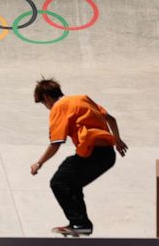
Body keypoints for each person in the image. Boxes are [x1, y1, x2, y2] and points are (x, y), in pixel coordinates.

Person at [30, 78, 128, 236]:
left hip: (93, 154)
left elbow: (56, 143)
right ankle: (80, 224)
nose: (46, 108)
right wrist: (117, 140)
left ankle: (79, 223)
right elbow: (111, 119)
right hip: (108, 155)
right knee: (71, 183)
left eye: (43, 103)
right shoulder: (82, 98)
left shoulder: (58, 108)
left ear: (46, 98)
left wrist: (39, 163)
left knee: (59, 182)